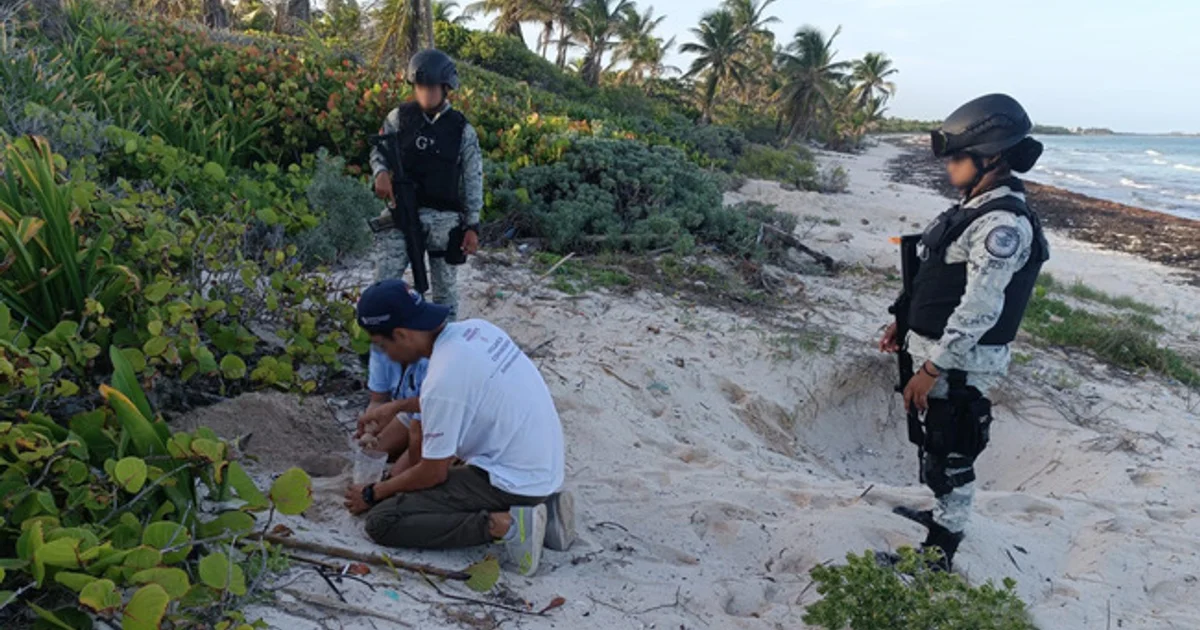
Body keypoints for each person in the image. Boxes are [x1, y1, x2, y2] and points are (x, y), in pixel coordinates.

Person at [879, 94, 1050, 570]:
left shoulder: (1002, 222)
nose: (950, 166)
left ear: (990, 157)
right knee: (936, 445)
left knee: (952, 455)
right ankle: (941, 517)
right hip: (939, 352)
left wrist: (932, 369)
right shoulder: (973, 208)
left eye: (957, 157)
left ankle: (939, 555)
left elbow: (980, 308)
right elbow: (938, 275)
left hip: (959, 363)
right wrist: (903, 322)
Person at [344, 280, 576, 576]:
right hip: (544, 469)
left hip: (512, 480)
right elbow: (457, 399)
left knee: (383, 520)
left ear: (401, 334)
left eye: (382, 345)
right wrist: (399, 407)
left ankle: (508, 525)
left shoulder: (442, 378)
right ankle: (547, 511)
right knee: (418, 485)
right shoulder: (477, 331)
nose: (386, 355)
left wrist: (372, 494)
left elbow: (433, 472)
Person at [370, 49, 483, 320]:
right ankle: (382, 340)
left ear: (446, 88)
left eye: (431, 87)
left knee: (444, 292)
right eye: (420, 86)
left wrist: (472, 226)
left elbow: (472, 179)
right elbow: (379, 152)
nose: (424, 93)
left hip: (444, 220)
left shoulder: (461, 130)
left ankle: (446, 345)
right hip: (401, 212)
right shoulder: (398, 118)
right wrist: (380, 172)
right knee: (384, 283)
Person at [356, 346, 429, 478]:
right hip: (411, 411)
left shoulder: (430, 358)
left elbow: (418, 429)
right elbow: (378, 400)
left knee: (398, 477)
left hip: (441, 416)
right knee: (371, 453)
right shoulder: (380, 347)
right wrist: (370, 431)